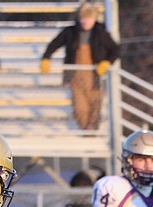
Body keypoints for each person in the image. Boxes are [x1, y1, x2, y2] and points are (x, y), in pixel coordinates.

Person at [39, 3, 120, 131]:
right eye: (83, 18)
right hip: (75, 75)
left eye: (88, 18)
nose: (85, 22)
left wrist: (106, 62)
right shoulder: (70, 31)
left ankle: (92, 131)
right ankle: (85, 129)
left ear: (94, 19)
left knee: (95, 103)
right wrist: (46, 57)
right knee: (79, 105)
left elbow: (115, 50)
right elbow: (54, 44)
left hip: (95, 75)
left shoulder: (101, 33)